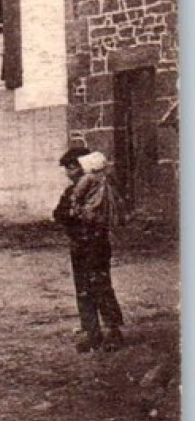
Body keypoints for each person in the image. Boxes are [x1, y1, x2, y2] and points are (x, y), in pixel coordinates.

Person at [53, 146, 125, 353]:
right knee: (83, 289)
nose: (68, 172)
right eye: (67, 168)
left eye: (72, 167)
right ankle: (92, 333)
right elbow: (58, 214)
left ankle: (113, 331)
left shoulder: (102, 187)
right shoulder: (70, 191)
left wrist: (76, 215)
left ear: (83, 166)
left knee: (101, 285)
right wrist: (70, 215)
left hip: (97, 244)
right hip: (78, 245)